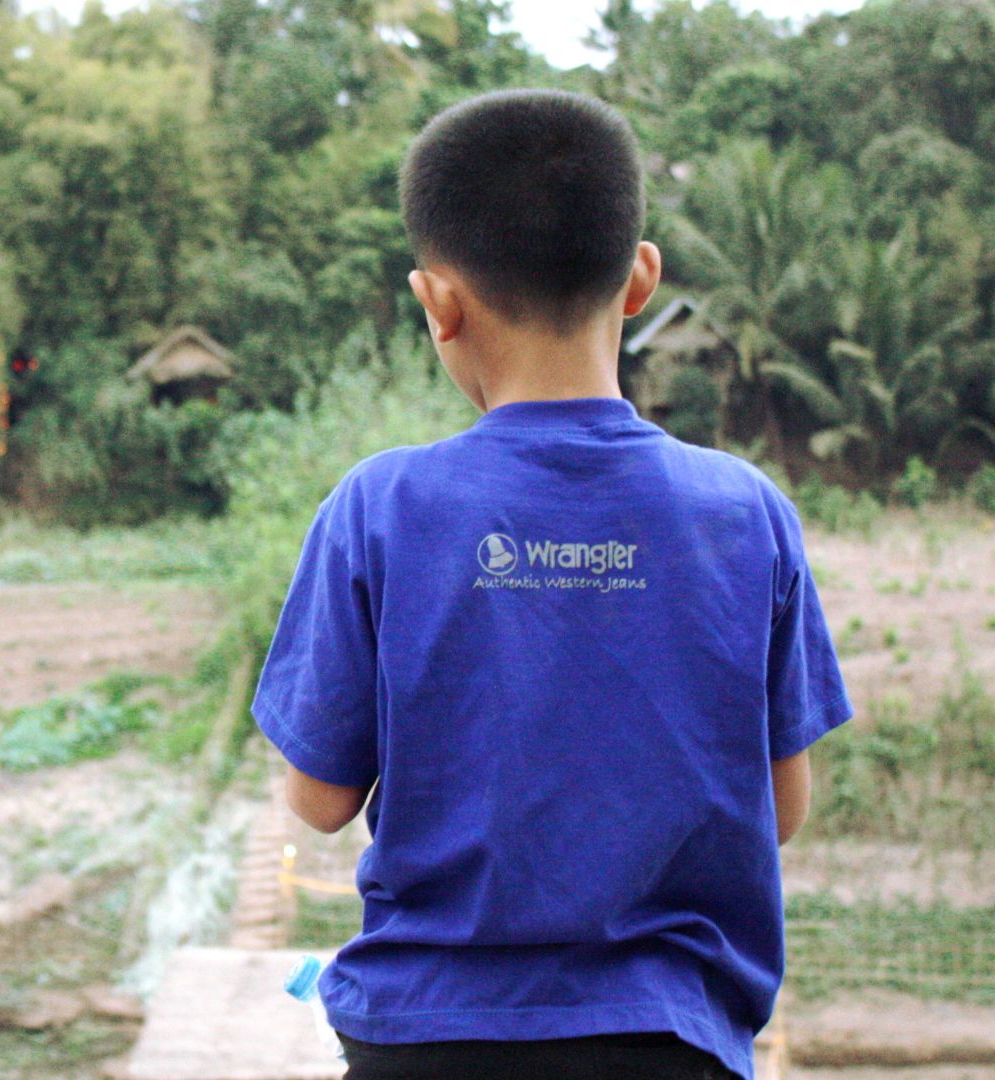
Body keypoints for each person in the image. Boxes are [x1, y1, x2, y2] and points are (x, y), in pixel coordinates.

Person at [252, 89, 849, 1080]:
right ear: (641, 279)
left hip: (422, 1043)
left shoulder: (378, 507)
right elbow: (780, 810)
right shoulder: (745, 513)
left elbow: (319, 799)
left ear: (437, 301)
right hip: (669, 1047)